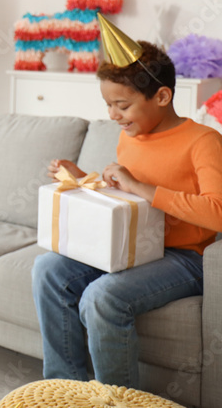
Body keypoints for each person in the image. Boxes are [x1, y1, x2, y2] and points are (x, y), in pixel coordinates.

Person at [32, 29, 222, 387]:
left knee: (101, 296)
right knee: (48, 269)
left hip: (185, 258)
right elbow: (128, 199)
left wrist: (141, 187)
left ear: (162, 96)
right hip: (132, 248)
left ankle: (116, 399)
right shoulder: (129, 137)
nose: (113, 115)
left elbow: (217, 212)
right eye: (108, 104)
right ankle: (66, 387)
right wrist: (85, 179)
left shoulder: (204, 141)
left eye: (122, 105)